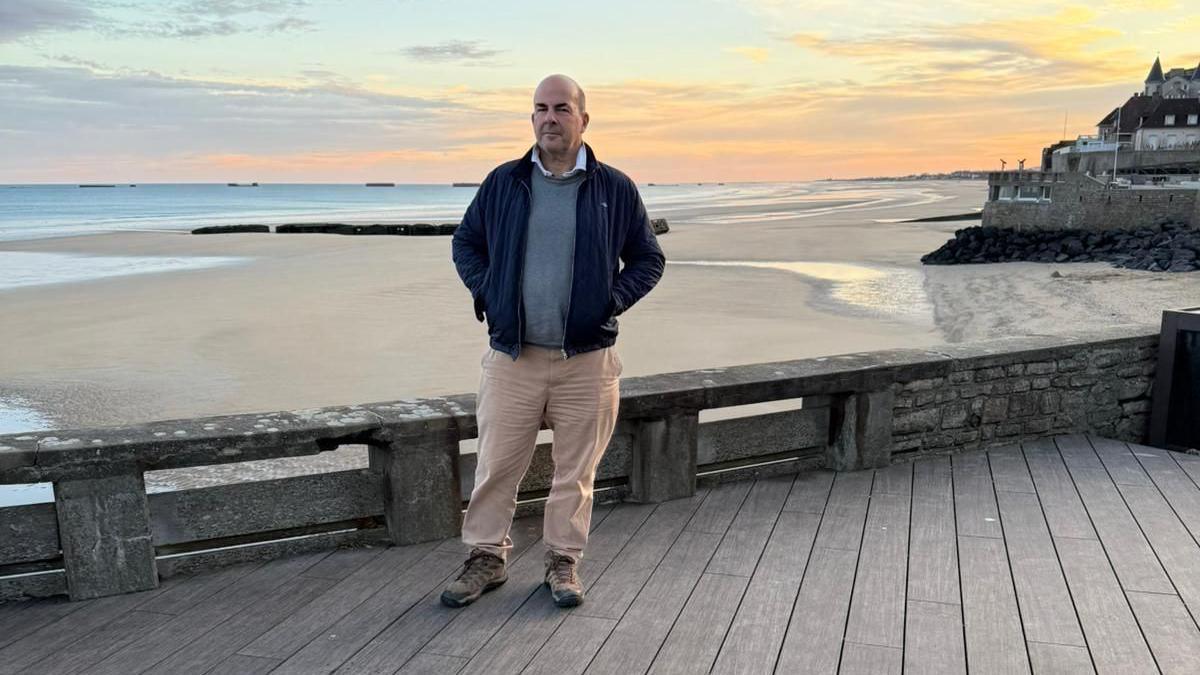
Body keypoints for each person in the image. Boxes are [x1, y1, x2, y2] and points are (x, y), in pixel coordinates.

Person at [444, 74, 665, 608]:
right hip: (512, 356)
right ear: (532, 118)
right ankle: (486, 557)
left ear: (583, 119)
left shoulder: (614, 187)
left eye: (561, 108)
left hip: (586, 359)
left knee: (576, 472)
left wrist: (608, 301)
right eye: (540, 108)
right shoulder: (504, 182)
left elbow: (648, 259)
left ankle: (563, 562)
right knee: (497, 464)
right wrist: (490, 292)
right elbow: (466, 243)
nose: (550, 117)